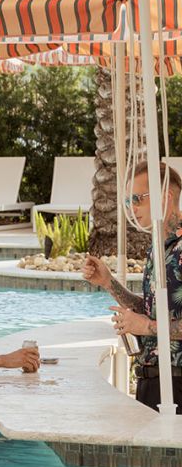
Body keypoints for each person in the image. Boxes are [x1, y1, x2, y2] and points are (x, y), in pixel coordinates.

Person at [82, 160, 182, 413]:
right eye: (127, 202)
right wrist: (108, 281)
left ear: (166, 197)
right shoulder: (159, 249)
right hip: (154, 378)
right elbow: (152, 309)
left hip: (176, 382)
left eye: (138, 199)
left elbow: (149, 322)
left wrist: (145, 327)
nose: (132, 208)